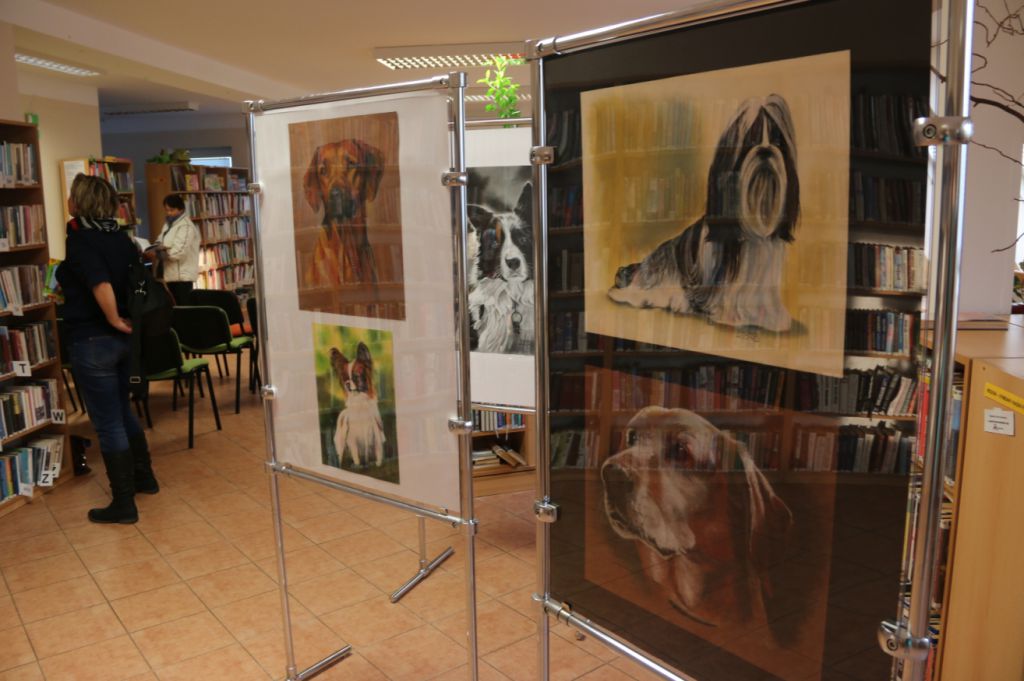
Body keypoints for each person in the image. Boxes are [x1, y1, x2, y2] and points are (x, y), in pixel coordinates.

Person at [57, 174, 159, 524]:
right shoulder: (122, 238)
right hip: (125, 340)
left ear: (78, 202)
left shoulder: (80, 240)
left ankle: (123, 504)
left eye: (71, 195)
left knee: (107, 422)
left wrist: (112, 318)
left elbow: (99, 282)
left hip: (94, 339)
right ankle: (145, 478)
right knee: (122, 411)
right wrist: (123, 323)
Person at [151, 194, 200, 305]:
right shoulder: (168, 224)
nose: (169, 213)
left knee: (183, 307)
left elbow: (178, 252)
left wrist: (160, 254)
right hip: (170, 275)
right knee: (174, 307)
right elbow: (160, 240)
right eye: (166, 210)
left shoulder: (186, 226)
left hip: (181, 277)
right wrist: (153, 247)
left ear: (181, 209)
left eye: (172, 210)